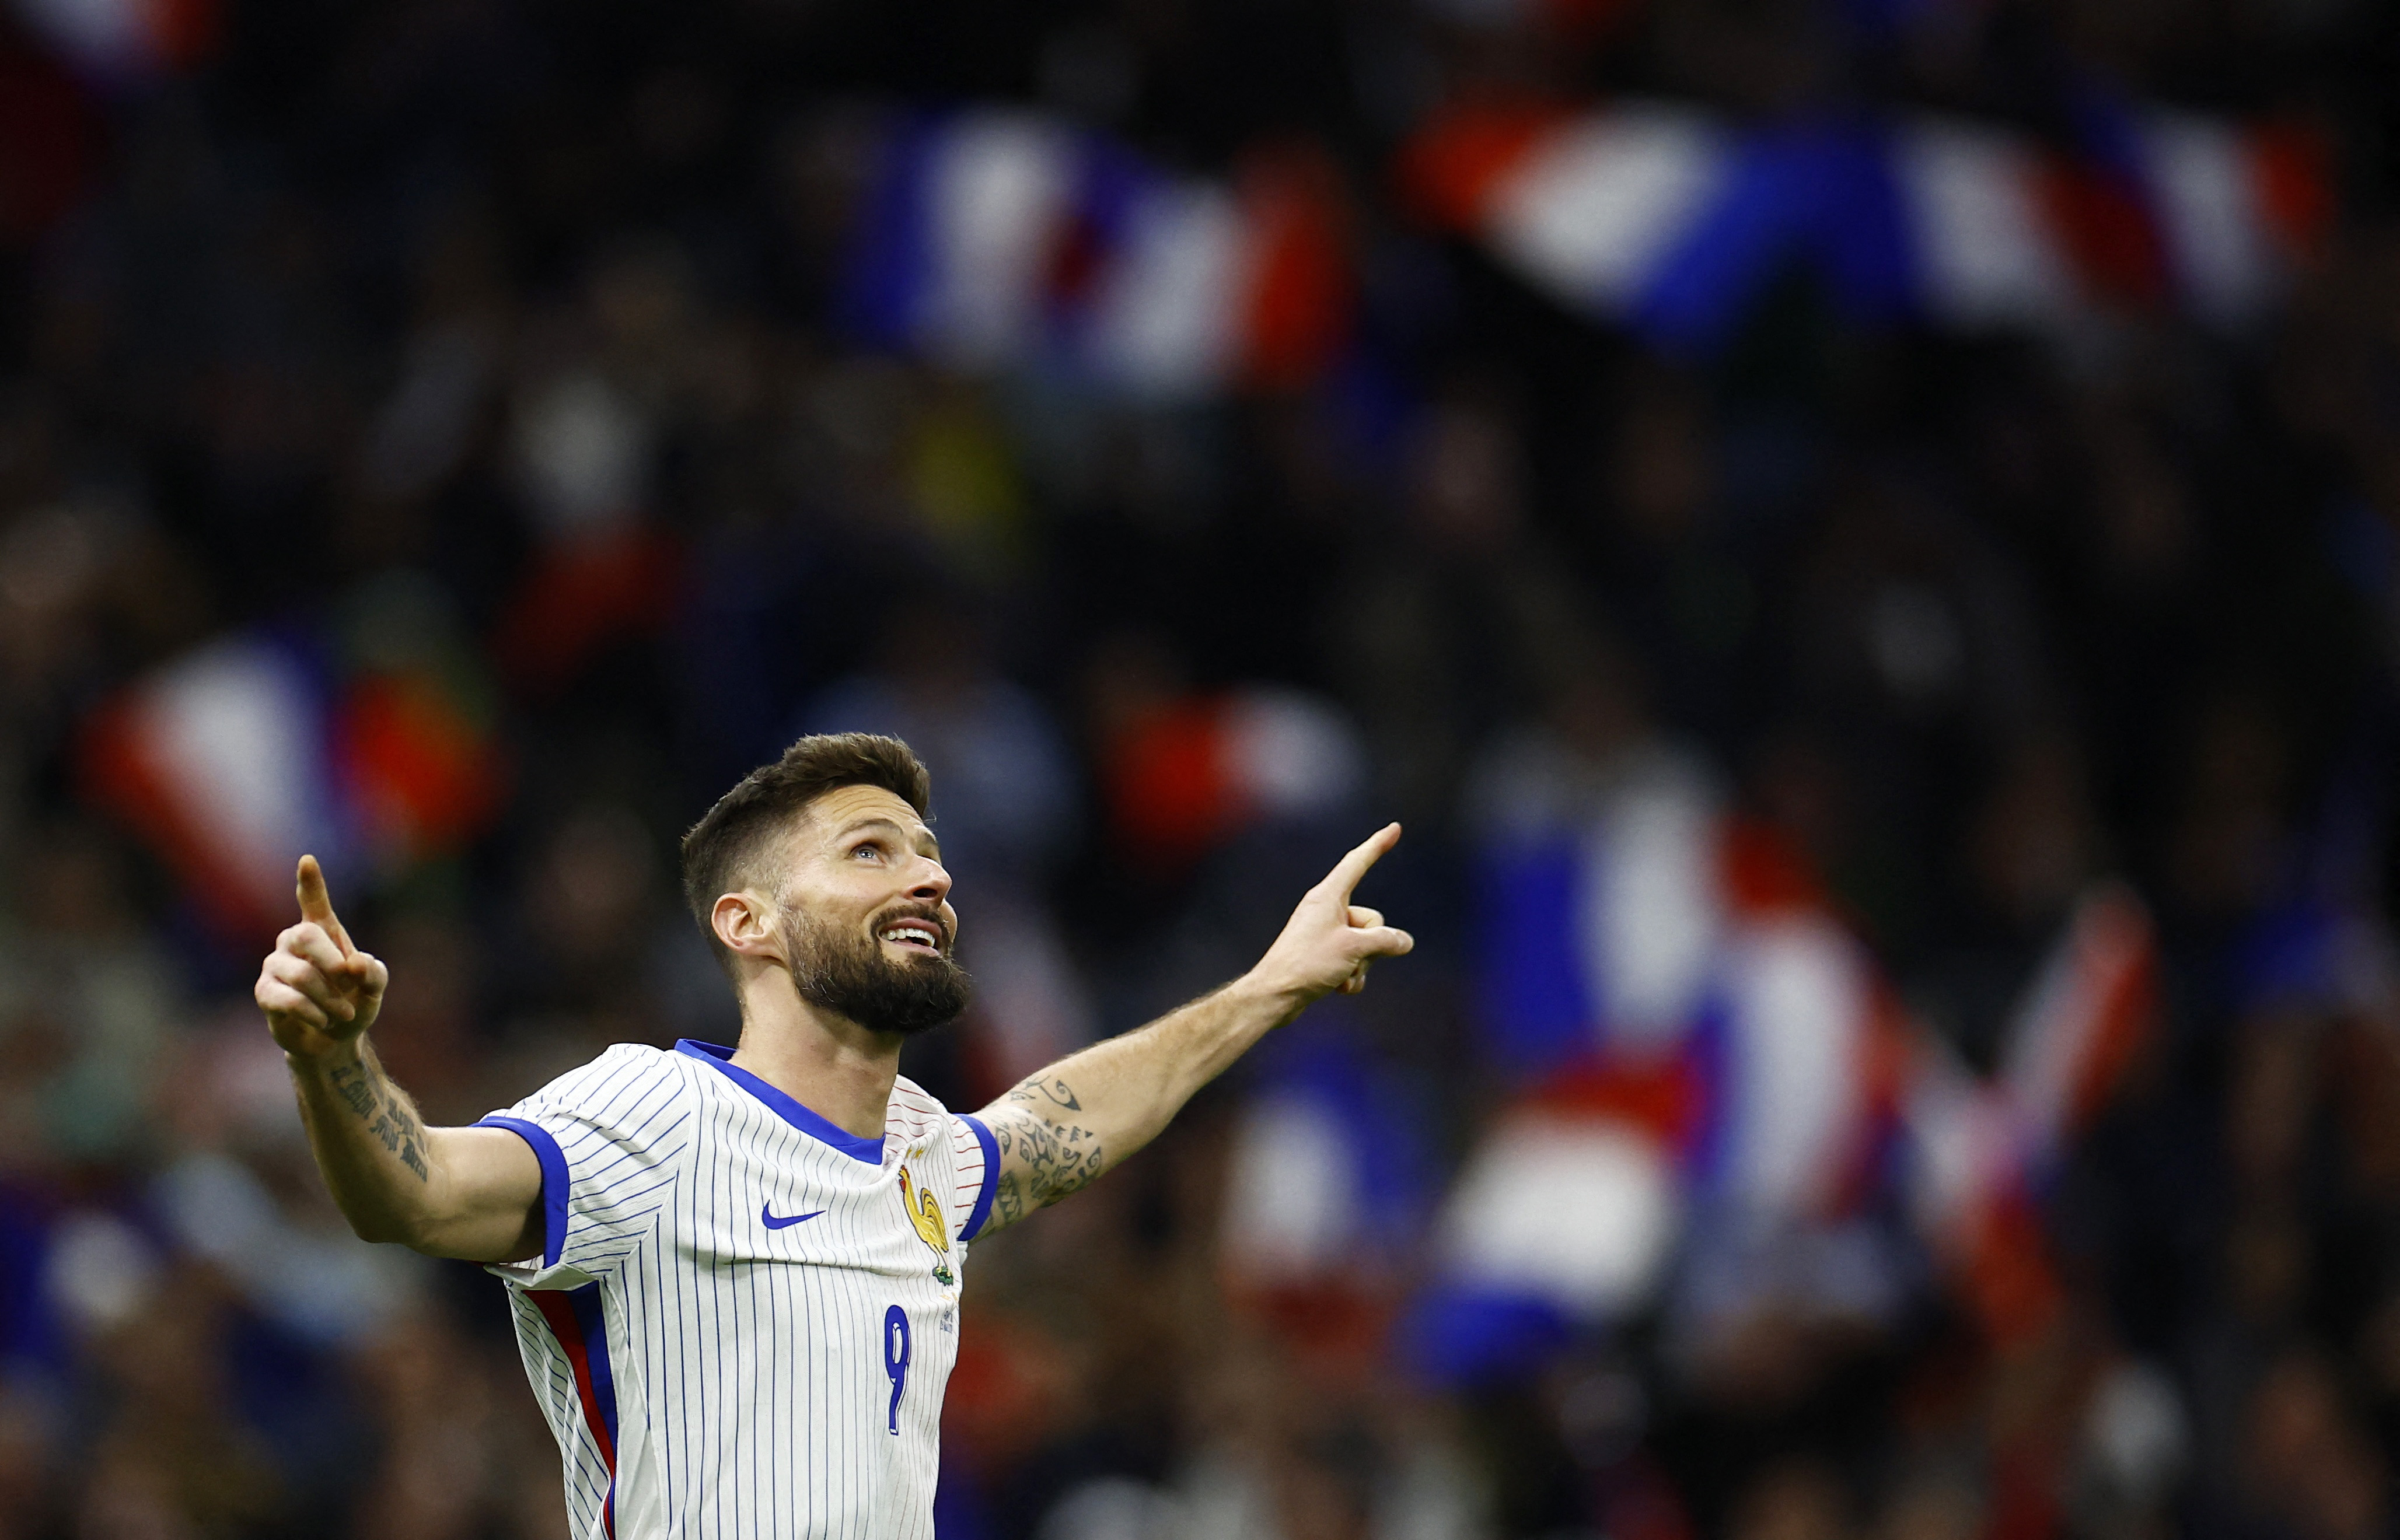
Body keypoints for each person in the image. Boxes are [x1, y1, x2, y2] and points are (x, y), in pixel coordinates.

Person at [251, 732, 1413, 1538]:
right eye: (870, 851)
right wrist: (332, 1061)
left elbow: (1065, 1119)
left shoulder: (920, 1152)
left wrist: (1271, 985)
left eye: (925, 852)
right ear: (745, 921)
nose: (929, 876)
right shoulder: (653, 1115)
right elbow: (413, 1196)